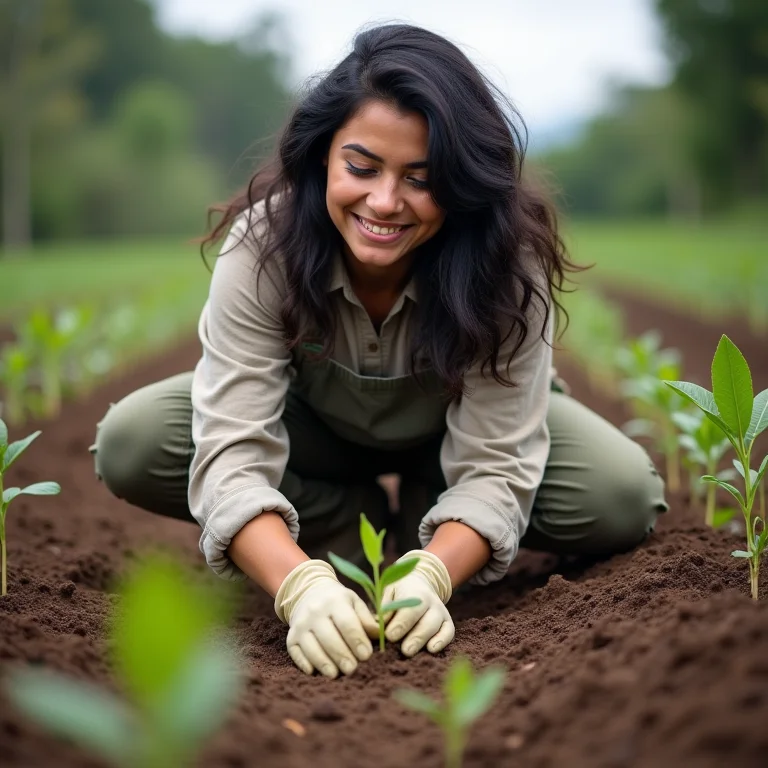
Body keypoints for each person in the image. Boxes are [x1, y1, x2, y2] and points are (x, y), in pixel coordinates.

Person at [91, 23, 668, 680]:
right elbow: (232, 450)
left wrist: (437, 572)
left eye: (420, 179)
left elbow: (496, 463)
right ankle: (345, 525)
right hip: (313, 435)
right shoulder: (264, 245)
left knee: (621, 496)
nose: (385, 202)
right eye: (361, 168)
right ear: (323, 157)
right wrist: (297, 585)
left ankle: (427, 521)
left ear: (460, 182)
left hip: (450, 443)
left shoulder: (507, 263)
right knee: (135, 441)